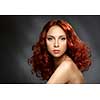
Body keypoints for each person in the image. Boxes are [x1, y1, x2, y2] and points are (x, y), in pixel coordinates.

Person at [28, 19, 91, 84]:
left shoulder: (66, 66)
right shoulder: (59, 64)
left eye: (62, 38)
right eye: (50, 39)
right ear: (44, 42)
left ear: (69, 41)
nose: (56, 44)